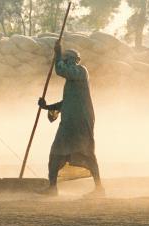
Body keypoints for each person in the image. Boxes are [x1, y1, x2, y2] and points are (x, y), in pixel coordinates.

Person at [37, 40, 104, 197]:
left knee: (87, 153)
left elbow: (61, 71)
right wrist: (46, 107)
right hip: (69, 123)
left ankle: (99, 188)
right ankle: (52, 188)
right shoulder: (71, 82)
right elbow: (67, 103)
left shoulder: (80, 72)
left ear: (74, 61)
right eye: (66, 60)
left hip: (81, 121)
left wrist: (58, 53)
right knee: (56, 153)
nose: (66, 63)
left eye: (68, 60)